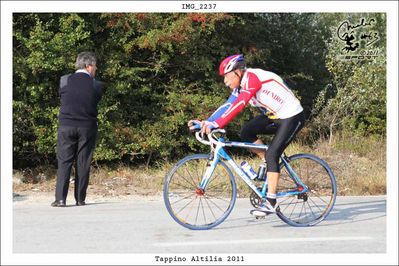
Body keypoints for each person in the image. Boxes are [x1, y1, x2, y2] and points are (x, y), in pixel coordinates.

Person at [188, 54, 304, 217]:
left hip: (292, 117)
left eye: (227, 76)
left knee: (273, 154)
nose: (225, 81)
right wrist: (206, 122)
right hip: (274, 116)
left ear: (237, 72)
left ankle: (271, 202)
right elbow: (228, 105)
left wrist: (217, 124)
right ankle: (266, 160)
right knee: (246, 132)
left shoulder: (252, 79)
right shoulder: (240, 85)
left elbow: (240, 105)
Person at [51, 52, 104, 207]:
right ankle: (80, 199)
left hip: (66, 125)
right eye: (95, 66)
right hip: (87, 127)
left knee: (64, 161)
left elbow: (64, 96)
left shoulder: (64, 80)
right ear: (88, 66)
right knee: (83, 162)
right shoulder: (97, 85)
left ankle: (60, 199)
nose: (96, 69)